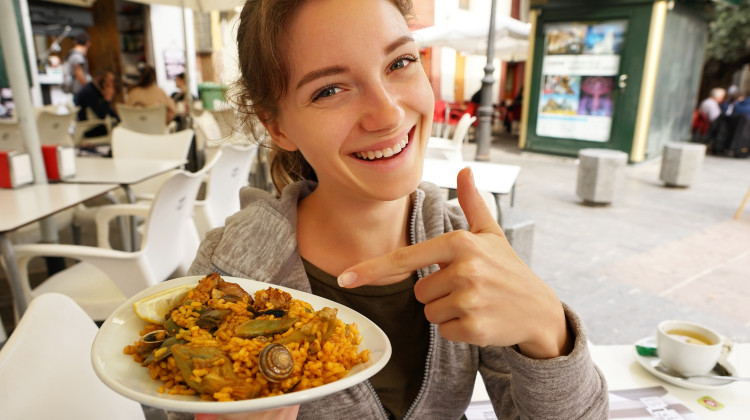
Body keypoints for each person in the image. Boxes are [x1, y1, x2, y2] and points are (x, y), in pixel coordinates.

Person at [174, 0, 608, 418]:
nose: (388, 114)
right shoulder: (225, 271)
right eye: (329, 90)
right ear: (277, 125)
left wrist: (549, 330)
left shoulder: (468, 247)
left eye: (400, 62)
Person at [73, 68, 119, 138]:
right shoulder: (89, 92)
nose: (111, 84)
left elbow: (108, 111)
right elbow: (101, 115)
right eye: (109, 81)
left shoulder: (94, 89)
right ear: (100, 79)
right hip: (89, 129)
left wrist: (119, 120)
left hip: (95, 124)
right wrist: (107, 99)